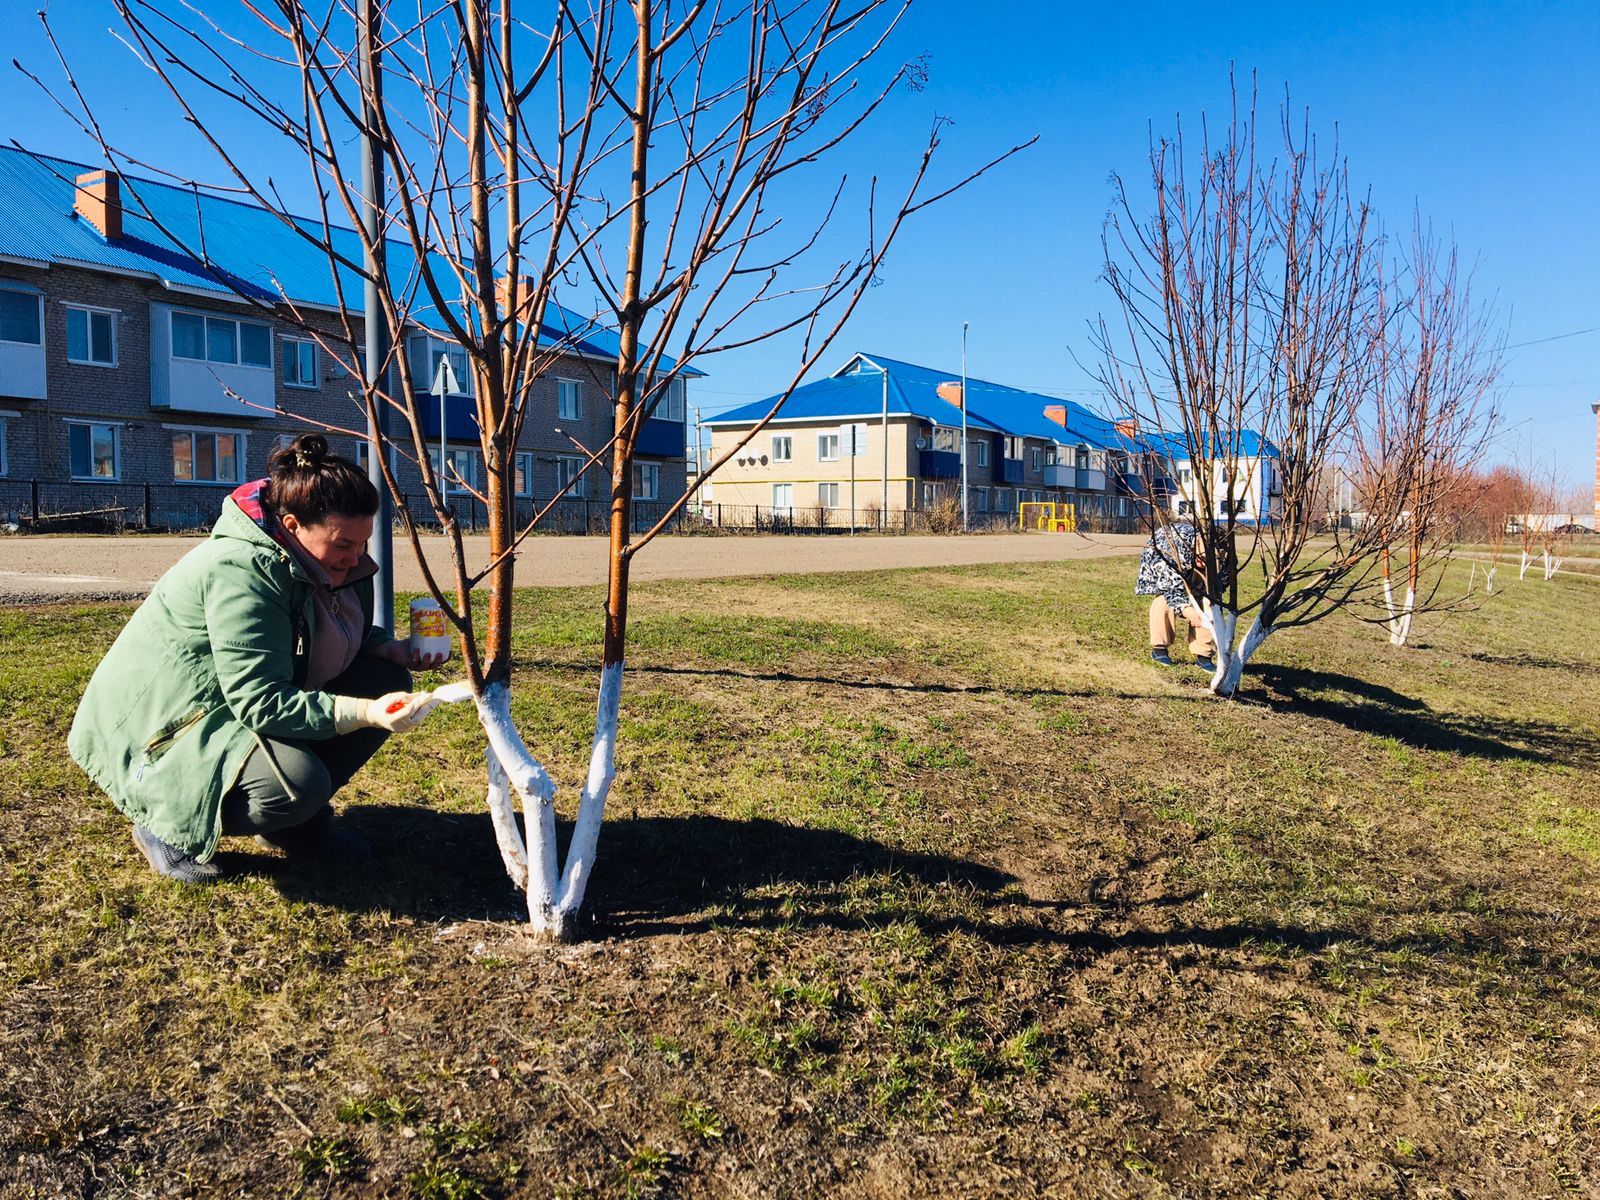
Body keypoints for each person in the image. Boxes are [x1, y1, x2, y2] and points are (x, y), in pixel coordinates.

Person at [69, 434, 447, 883]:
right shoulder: (242, 570)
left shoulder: (321, 557)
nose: (356, 557)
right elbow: (260, 702)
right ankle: (166, 824)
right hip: (168, 725)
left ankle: (294, 826)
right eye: (343, 545)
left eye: (363, 543)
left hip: (231, 698)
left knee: (385, 677)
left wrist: (389, 647)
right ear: (291, 524)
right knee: (296, 784)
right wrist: (365, 712)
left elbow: (324, 621)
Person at [1133, 520, 1217, 672]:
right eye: (1200, 558)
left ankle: (1204, 655)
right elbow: (1170, 589)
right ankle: (1159, 649)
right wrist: (1188, 610)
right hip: (1165, 564)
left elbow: (1220, 585)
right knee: (1164, 602)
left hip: (1191, 565)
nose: (1203, 562)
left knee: (1209, 603)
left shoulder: (1220, 550)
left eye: (1207, 560)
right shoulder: (1170, 549)